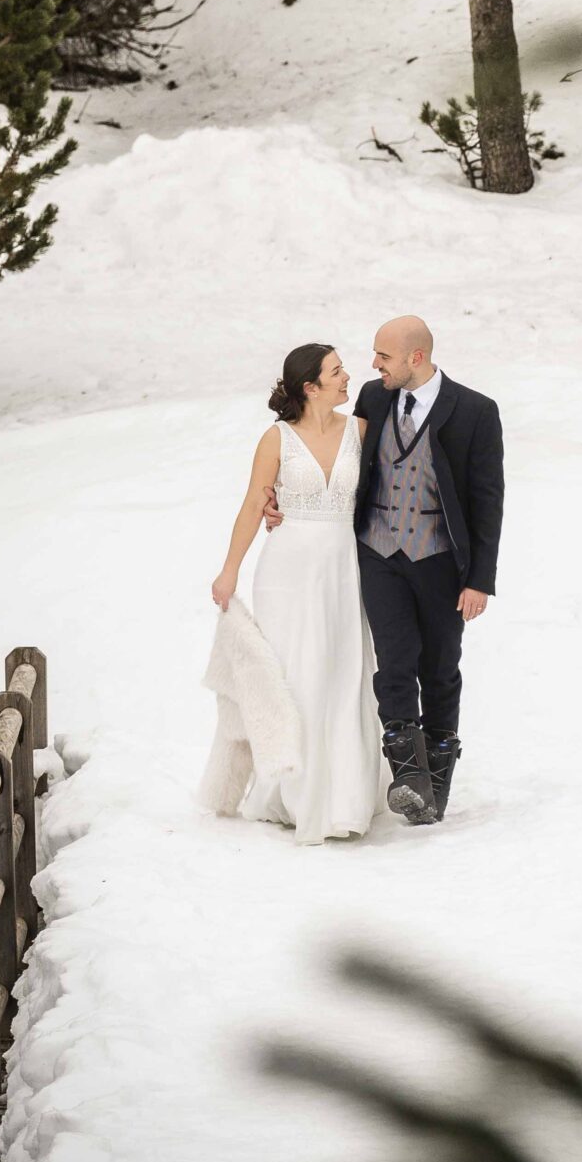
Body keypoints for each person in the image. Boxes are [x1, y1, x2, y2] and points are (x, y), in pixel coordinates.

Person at [266, 314, 503, 826]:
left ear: (416, 358)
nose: (373, 365)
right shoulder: (374, 399)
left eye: (384, 356)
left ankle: (436, 785)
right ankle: (408, 778)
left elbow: (488, 501)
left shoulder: (476, 411)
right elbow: (336, 455)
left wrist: (479, 579)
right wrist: (280, 497)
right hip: (378, 551)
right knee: (394, 661)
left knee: (439, 668)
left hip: (440, 559)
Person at [210, 342, 381, 844]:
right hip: (287, 572)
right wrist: (228, 572)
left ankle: (345, 796)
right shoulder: (276, 439)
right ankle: (292, 792)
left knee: (344, 673)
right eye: (336, 371)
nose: (347, 377)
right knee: (296, 675)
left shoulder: (360, 430)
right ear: (311, 386)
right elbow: (252, 504)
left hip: (345, 568)